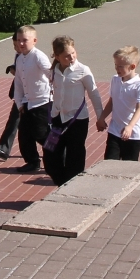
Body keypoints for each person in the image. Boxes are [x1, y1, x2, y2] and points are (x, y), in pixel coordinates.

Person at [45, 36, 104, 185]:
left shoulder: (83, 70)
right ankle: (61, 182)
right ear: (57, 56)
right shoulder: (53, 71)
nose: (71, 57)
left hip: (77, 121)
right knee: (50, 155)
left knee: (75, 157)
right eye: (66, 55)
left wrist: (100, 117)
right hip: (57, 118)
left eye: (73, 53)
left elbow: (94, 94)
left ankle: (70, 186)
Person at [12, 25, 53, 174]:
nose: (21, 43)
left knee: (41, 134)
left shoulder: (38, 56)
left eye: (25, 40)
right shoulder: (19, 58)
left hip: (42, 102)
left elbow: (51, 75)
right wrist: (19, 103)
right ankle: (32, 162)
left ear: (34, 40)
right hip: (27, 103)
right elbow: (18, 82)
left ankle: (57, 157)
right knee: (24, 135)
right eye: (19, 40)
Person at [97, 46, 140, 161]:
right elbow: (112, 101)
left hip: (134, 134)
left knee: (128, 166)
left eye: (120, 66)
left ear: (132, 66)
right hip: (115, 130)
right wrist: (102, 118)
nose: (117, 68)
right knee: (109, 162)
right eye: (115, 65)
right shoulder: (115, 80)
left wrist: (130, 126)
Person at [0, 54, 20, 160]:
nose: (17, 47)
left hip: (33, 97)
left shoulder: (36, 57)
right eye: (15, 46)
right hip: (20, 95)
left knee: (39, 128)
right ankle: (3, 150)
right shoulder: (19, 54)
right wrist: (14, 68)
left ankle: (55, 147)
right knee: (13, 121)